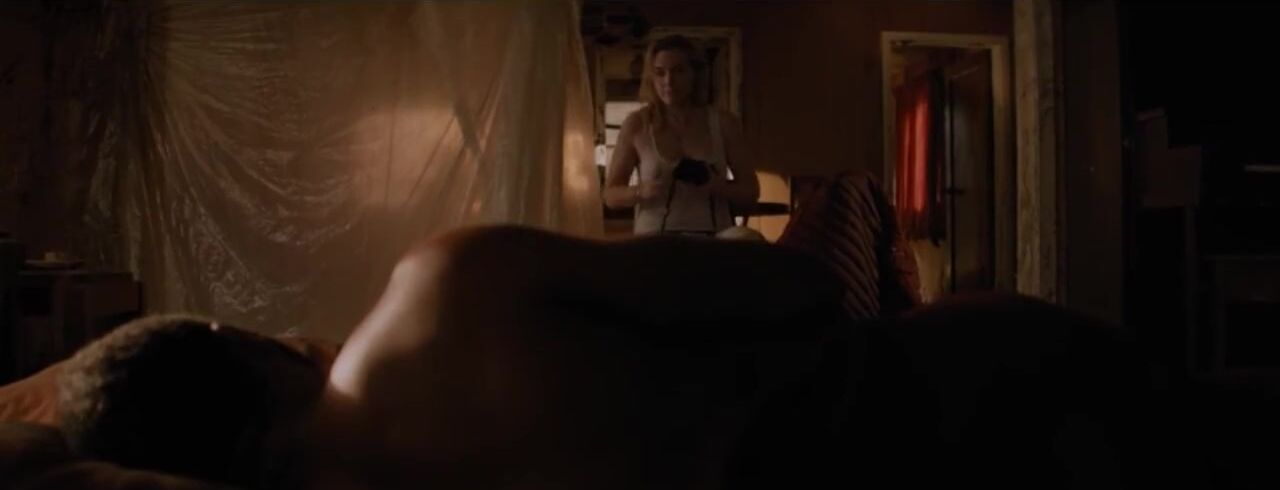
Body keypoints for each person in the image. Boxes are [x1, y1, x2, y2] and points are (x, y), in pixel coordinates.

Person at [602, 35, 760, 235]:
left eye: (678, 71)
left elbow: (750, 192)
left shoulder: (723, 123)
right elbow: (610, 195)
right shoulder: (637, 124)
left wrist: (716, 186)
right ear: (651, 78)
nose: (668, 81)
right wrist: (641, 191)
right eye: (660, 73)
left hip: (711, 238)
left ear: (695, 74)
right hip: (654, 240)